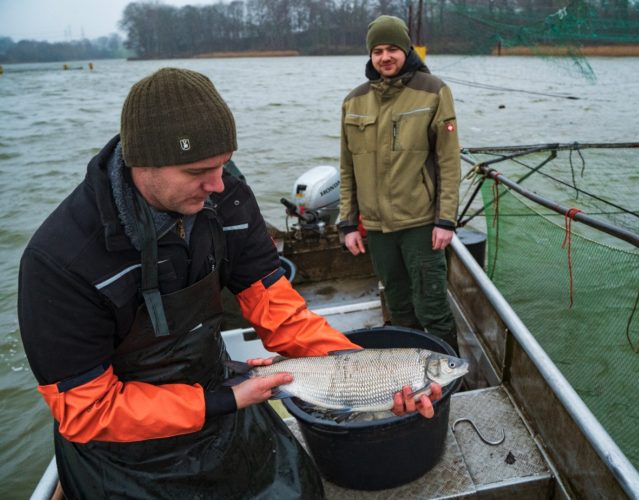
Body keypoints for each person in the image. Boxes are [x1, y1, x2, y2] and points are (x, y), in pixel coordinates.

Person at [17, 67, 441, 499]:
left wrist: (372, 374)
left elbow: (278, 310)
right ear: (141, 163)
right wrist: (227, 398)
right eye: (198, 171)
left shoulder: (226, 197)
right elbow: (88, 411)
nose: (217, 184)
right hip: (124, 451)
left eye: (223, 164)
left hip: (220, 397)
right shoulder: (61, 261)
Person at [339, 15, 461, 352]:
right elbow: (346, 167)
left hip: (421, 225)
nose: (385, 57)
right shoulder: (354, 101)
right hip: (377, 230)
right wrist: (348, 224)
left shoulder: (434, 90)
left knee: (432, 308)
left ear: (406, 49)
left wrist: (445, 219)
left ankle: (450, 373)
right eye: (377, 51)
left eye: (392, 48)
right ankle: (410, 372)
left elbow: (449, 161)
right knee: (398, 306)